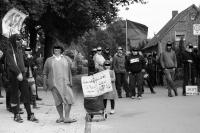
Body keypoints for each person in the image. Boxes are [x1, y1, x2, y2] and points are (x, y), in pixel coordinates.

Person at [4, 34, 38, 123]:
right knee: (14, 95)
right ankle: (16, 115)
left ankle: (30, 115)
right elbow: (11, 64)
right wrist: (18, 73)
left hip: (23, 75)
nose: (20, 41)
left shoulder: (20, 50)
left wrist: (29, 59)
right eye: (18, 39)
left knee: (26, 94)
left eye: (20, 39)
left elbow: (25, 63)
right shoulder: (9, 50)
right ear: (13, 41)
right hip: (15, 75)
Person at [43, 44, 76, 123]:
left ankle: (67, 118)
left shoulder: (66, 58)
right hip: (54, 84)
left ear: (61, 50)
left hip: (65, 83)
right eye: (55, 48)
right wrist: (44, 84)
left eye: (58, 48)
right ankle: (61, 117)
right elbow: (45, 73)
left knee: (69, 100)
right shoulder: (49, 60)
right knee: (58, 102)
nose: (56, 49)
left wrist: (75, 57)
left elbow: (73, 67)